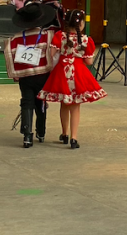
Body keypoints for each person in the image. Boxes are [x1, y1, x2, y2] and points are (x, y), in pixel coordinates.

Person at [39, 9, 107, 148]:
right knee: (75, 107)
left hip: (61, 72)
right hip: (78, 72)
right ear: (81, 23)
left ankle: (64, 134)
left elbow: (51, 54)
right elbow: (89, 62)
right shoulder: (87, 40)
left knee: (64, 104)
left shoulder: (59, 36)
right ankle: (74, 138)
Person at [4, 3, 58, 148]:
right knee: (41, 103)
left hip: (25, 78)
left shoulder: (15, 39)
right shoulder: (48, 36)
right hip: (43, 76)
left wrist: (14, 74)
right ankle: (41, 132)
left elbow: (9, 56)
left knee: (27, 102)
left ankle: (27, 135)